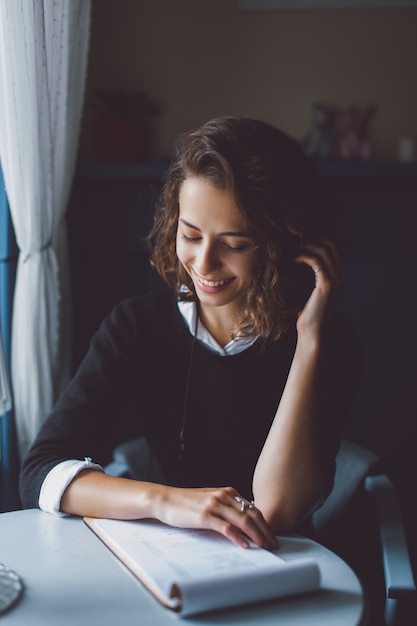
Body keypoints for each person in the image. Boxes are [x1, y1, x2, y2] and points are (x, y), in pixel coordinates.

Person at [20, 116, 361, 551]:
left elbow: (276, 510)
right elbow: (39, 472)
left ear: (286, 243)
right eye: (191, 235)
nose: (203, 263)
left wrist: (310, 338)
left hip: (287, 569)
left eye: (235, 244)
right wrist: (168, 502)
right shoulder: (135, 326)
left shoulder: (334, 343)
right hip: (172, 558)